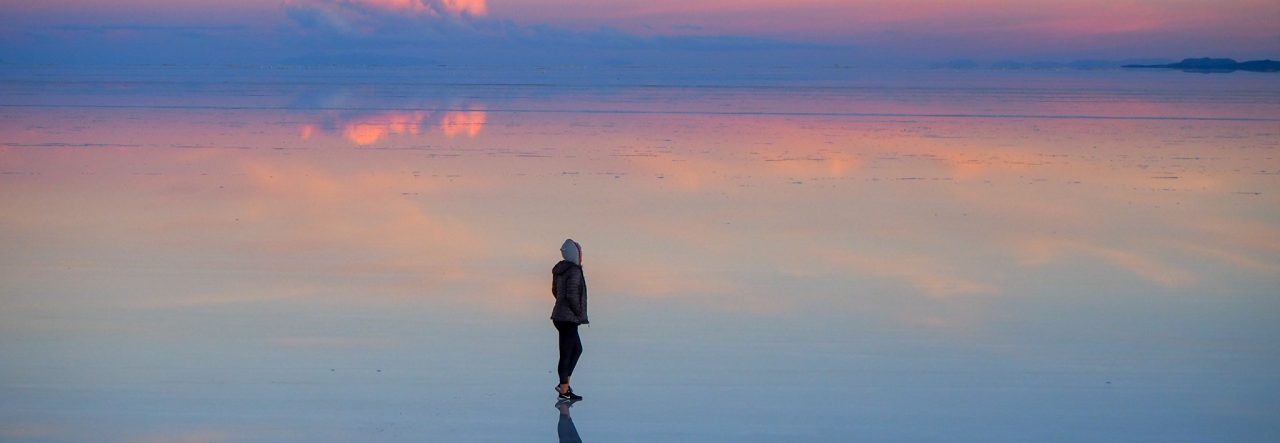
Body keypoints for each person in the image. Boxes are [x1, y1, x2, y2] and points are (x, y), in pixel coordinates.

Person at [551, 238, 588, 401]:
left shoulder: (560, 270)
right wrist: (578, 313)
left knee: (576, 349)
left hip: (560, 316)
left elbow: (555, 291)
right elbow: (572, 295)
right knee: (567, 354)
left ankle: (564, 385)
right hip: (568, 318)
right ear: (575, 254)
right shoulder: (574, 271)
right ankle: (564, 390)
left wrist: (562, 306)